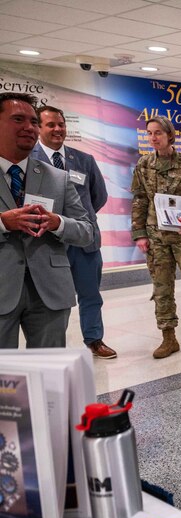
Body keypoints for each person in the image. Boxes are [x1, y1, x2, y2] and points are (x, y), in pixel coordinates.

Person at [0, 92, 94, 348]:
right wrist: (3, 222)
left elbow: (86, 231)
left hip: (49, 293)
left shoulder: (58, 178)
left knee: (48, 377)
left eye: (33, 122)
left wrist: (57, 223)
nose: (29, 127)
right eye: (18, 119)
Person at [32, 105, 116, 358]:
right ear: (38, 128)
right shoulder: (29, 160)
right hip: (48, 244)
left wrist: (81, 220)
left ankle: (94, 339)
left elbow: (97, 197)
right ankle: (54, 347)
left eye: (61, 124)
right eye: (51, 125)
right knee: (53, 301)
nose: (58, 129)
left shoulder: (83, 160)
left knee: (91, 294)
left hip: (84, 242)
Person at [130, 116, 181, 359]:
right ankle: (168, 338)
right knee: (161, 288)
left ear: (170, 135)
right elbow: (140, 199)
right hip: (156, 236)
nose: (153, 137)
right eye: (150, 133)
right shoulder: (143, 165)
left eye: (158, 132)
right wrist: (139, 233)